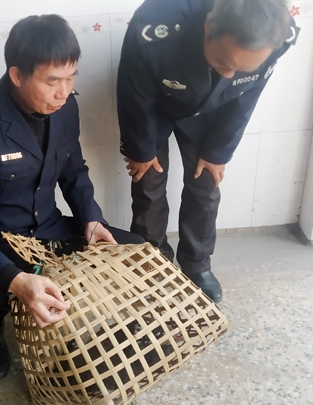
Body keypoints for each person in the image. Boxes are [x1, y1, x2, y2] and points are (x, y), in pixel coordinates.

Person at [0, 14, 144, 380]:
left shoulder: (65, 108)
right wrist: (16, 280)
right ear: (17, 75)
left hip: (47, 227)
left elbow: (73, 170)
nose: (63, 92)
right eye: (52, 81)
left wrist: (91, 218)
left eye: (70, 78)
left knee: (136, 250)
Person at [117, 0, 298, 303]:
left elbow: (247, 96)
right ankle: (152, 261)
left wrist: (218, 151)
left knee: (206, 184)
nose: (229, 73)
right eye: (223, 61)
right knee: (147, 182)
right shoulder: (155, 24)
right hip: (155, 101)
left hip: (214, 107)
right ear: (208, 26)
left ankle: (197, 263)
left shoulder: (279, 33)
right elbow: (133, 92)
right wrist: (140, 149)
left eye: (241, 68)